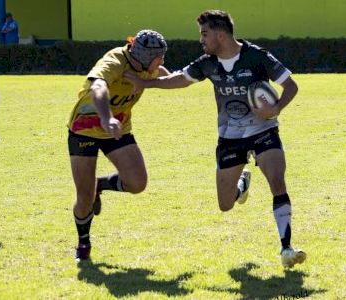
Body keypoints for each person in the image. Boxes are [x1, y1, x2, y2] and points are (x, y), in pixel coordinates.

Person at [124, 10, 306, 268]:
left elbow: (291, 86)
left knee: (277, 182)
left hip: (264, 131)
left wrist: (276, 109)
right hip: (230, 138)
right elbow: (180, 79)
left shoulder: (256, 57)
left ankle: (286, 247)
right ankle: (241, 185)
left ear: (221, 34)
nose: (201, 39)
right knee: (225, 205)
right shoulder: (207, 62)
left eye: (204, 34)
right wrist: (148, 84)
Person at [67, 29, 169, 261]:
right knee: (84, 197)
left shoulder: (146, 69)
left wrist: (149, 83)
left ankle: (99, 185)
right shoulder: (114, 61)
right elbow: (98, 87)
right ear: (143, 56)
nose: (162, 61)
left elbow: (167, 76)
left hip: (118, 129)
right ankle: (84, 242)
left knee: (137, 183)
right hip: (85, 128)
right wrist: (106, 117)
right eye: (159, 57)